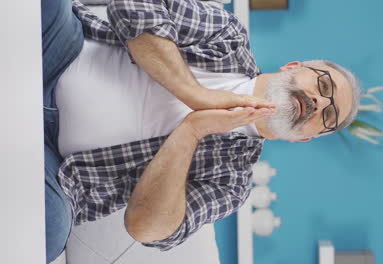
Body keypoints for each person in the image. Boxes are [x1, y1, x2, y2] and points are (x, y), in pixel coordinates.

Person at [42, 0, 360, 262]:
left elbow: (148, 228)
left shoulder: (232, 183)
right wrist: (195, 95)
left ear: (302, 138)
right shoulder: (228, 37)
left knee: (51, 230)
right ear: (293, 67)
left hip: (55, 167)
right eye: (323, 83)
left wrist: (192, 130)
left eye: (328, 115)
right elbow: (134, 6)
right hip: (58, 54)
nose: (319, 102)